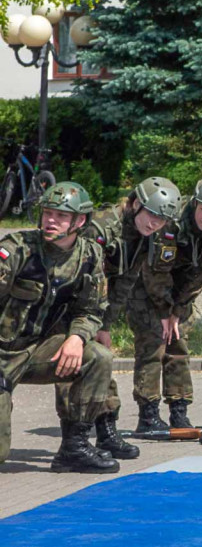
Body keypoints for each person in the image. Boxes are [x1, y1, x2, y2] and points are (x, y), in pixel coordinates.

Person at [55, 177, 182, 451]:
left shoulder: (144, 235)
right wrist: (87, 324)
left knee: (101, 360)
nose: (154, 224)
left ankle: (106, 430)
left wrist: (105, 324)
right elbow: (82, 277)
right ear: (136, 204)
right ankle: (74, 442)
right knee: (72, 367)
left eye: (161, 220)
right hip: (70, 304)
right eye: (151, 215)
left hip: (95, 306)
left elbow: (124, 281)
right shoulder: (102, 228)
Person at [0, 182, 118, 473]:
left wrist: (77, 337)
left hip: (39, 350)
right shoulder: (17, 249)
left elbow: (90, 310)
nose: (50, 221)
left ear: (80, 221)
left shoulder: (89, 256)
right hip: (3, 351)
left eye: (60, 216)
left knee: (98, 357)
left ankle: (74, 448)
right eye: (47, 213)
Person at [128, 172, 202, 430]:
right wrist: (165, 311)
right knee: (153, 342)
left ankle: (179, 410)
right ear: (195, 203)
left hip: (179, 290)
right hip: (144, 284)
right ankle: (148, 414)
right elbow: (155, 270)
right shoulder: (172, 219)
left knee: (178, 343)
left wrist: (179, 309)